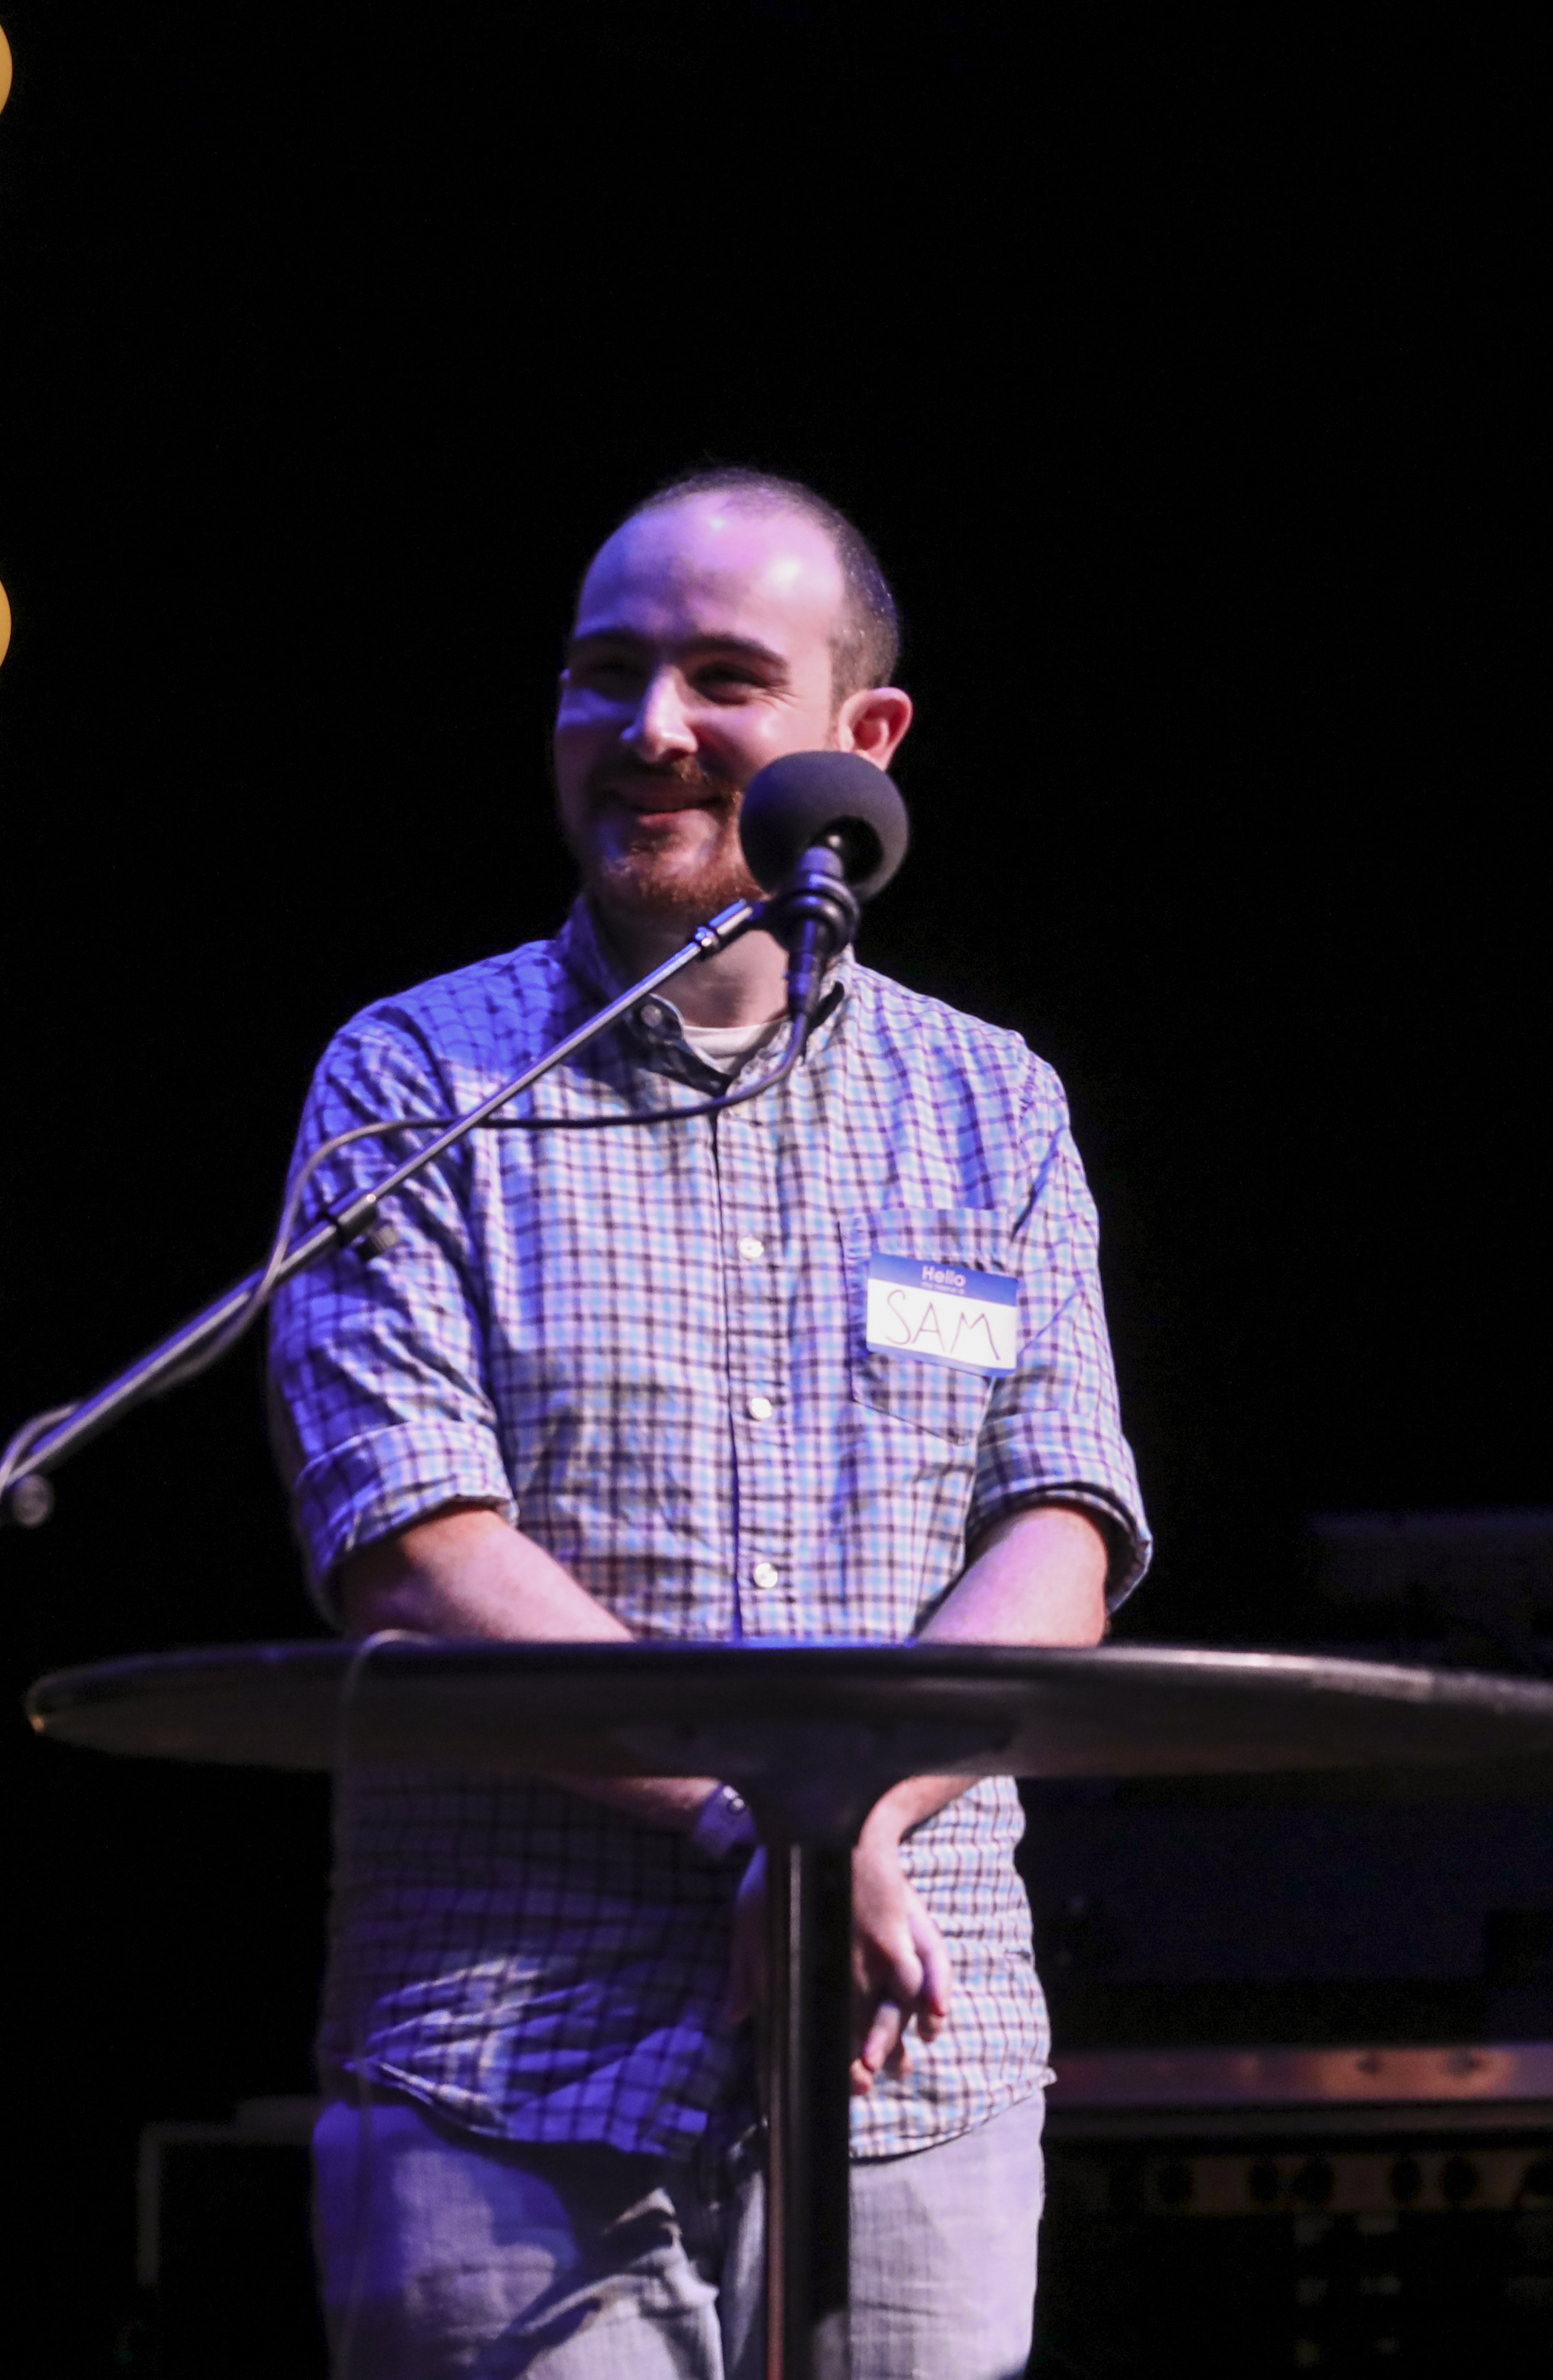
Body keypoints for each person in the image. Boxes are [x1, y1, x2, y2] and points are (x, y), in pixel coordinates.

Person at [268, 469, 1151, 2378]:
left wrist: (837, 1840)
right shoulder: (415, 1074)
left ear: (865, 738)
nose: (648, 729)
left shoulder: (991, 1105)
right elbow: (415, 1548)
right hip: (510, 2075)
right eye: (604, 674)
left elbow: (1058, 1535)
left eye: (722, 677)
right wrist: (769, 1825)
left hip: (916, 2069)